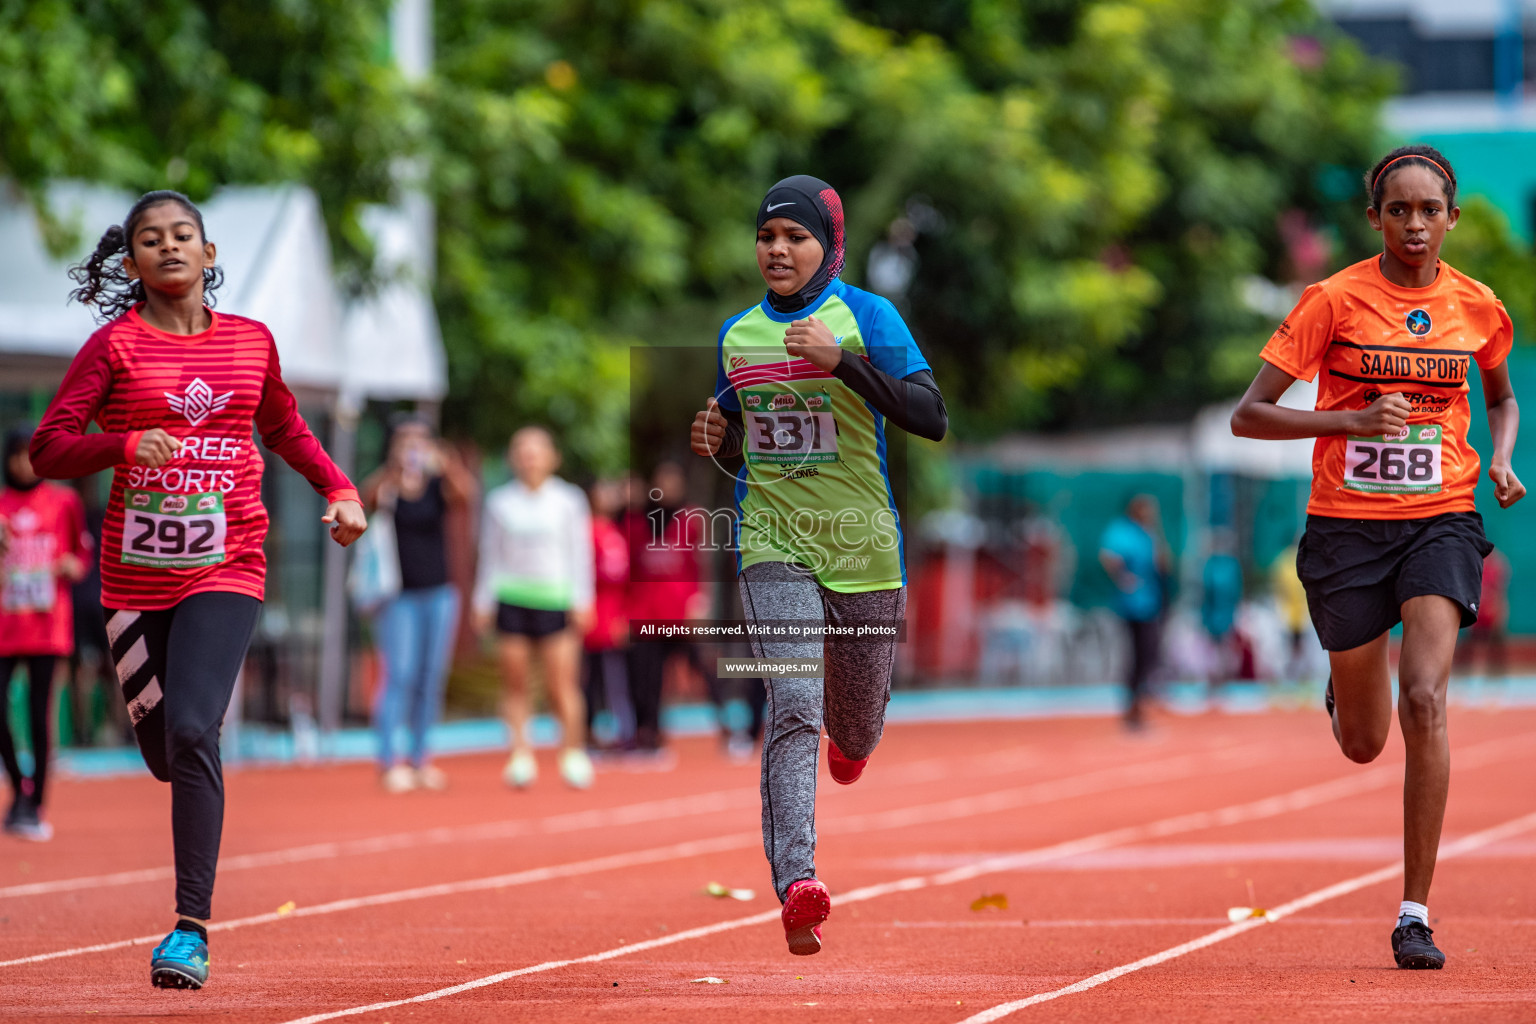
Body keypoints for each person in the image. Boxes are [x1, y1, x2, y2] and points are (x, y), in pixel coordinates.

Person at [30, 189, 366, 989]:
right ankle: (181, 762)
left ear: (210, 256)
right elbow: (48, 448)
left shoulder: (251, 344)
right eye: (152, 239)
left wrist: (339, 488)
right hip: (132, 582)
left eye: (184, 236)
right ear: (133, 261)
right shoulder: (113, 349)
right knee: (164, 751)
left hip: (228, 565)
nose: (170, 248)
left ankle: (190, 930)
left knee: (191, 733)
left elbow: (283, 424)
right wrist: (121, 444)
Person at [1231, 145, 1524, 970]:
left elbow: (1499, 399)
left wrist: (1501, 458)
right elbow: (1247, 416)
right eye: (1399, 210)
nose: (1416, 224)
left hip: (1442, 520)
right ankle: (1344, 680)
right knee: (1364, 741)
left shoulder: (1479, 308)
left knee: (1424, 699)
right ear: (1376, 219)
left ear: (1452, 217)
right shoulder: (1333, 300)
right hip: (1347, 530)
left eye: (1430, 210)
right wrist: (1347, 423)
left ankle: (1414, 913)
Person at [690, 175, 946, 955]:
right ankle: (798, 881)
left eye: (794, 237)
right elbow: (737, 431)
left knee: (855, 730)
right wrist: (717, 437)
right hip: (774, 541)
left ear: (828, 247)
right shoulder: (740, 336)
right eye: (767, 237)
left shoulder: (868, 317)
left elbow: (930, 416)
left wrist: (844, 364)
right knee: (793, 702)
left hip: (864, 547)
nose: (777, 250)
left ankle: (853, 744)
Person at [474, 426, 595, 789]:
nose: (529, 457)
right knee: (515, 684)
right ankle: (520, 755)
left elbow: (580, 553)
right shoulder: (499, 502)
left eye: (536, 450)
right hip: (512, 599)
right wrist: (482, 600)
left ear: (551, 457)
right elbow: (489, 556)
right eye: (522, 450)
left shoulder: (569, 500)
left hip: (556, 599)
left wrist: (582, 599)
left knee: (562, 685)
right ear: (513, 459)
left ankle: (572, 752)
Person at [361, 414, 475, 793]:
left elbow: (467, 495)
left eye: (420, 439)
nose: (413, 446)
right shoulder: (388, 486)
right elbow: (364, 499)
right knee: (400, 674)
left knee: (430, 676)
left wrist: (448, 463)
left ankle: (421, 757)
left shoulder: (440, 483)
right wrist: (393, 470)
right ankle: (389, 759)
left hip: (439, 593)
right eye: (405, 440)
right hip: (398, 595)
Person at [0, 425, 88, 840]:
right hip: (4, 624)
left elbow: (82, 554)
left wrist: (71, 566)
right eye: (17, 455)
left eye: (31, 454)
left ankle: (36, 805)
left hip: (48, 625)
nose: (24, 463)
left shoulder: (64, 501)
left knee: (39, 714)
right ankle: (19, 787)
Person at [624, 461, 719, 754]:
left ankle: (728, 727)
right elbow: (629, 570)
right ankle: (649, 734)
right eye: (661, 482)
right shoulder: (638, 523)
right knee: (646, 677)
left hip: (681, 613)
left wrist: (700, 602)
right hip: (645, 614)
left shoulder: (691, 519)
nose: (667, 487)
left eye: (672, 482)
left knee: (704, 668)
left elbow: (700, 564)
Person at [1098, 495, 1169, 728]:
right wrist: (1123, 577)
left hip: (1151, 603)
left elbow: (1163, 563)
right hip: (1132, 605)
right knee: (1138, 656)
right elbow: (1108, 556)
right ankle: (1132, 708)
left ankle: (1138, 705)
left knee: (1148, 656)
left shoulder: (1147, 534)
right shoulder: (1122, 531)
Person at [582, 477, 634, 750]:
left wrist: (623, 615)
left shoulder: (617, 532)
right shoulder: (585, 531)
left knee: (615, 679)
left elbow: (625, 583)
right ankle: (588, 734)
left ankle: (622, 734)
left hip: (614, 618)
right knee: (591, 680)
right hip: (591, 617)